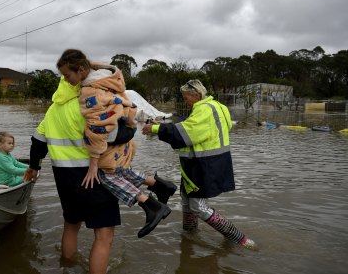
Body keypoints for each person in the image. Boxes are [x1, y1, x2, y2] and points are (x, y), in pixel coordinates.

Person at [56, 49, 177, 238]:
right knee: (116, 167)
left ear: (80, 70)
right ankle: (159, 185)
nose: (65, 79)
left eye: (67, 75)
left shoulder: (90, 91)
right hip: (126, 126)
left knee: (103, 174)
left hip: (113, 132)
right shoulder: (108, 77)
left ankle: (149, 205)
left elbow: (97, 127)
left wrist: (93, 164)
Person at [142, 79, 256, 249]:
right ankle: (189, 236)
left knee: (198, 206)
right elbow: (194, 127)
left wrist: (155, 129)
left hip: (203, 165)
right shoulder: (218, 106)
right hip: (208, 163)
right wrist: (164, 126)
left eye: (186, 96)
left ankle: (240, 239)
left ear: (195, 94)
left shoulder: (203, 110)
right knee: (187, 201)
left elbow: (187, 133)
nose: (184, 100)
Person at [25, 76, 120, 274]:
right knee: (104, 235)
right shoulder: (92, 103)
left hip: (63, 175)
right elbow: (113, 136)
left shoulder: (54, 108)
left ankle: (67, 266)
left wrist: (34, 167)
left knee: (71, 225)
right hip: (93, 175)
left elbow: (37, 142)